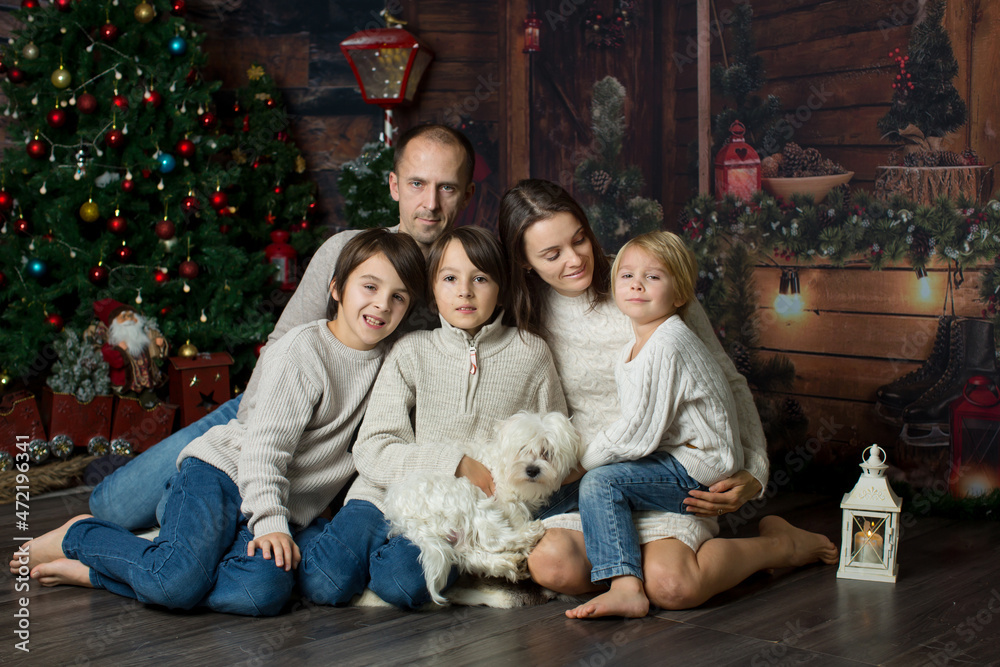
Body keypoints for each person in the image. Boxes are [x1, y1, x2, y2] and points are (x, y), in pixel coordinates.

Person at [11, 230, 426, 617]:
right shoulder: (304, 353)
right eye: (369, 287)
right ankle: (83, 538)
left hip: (281, 504)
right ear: (336, 288)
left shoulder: (392, 363)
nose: (381, 305)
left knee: (264, 591)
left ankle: (134, 567)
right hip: (224, 475)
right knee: (176, 585)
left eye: (398, 297)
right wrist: (269, 523)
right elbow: (265, 452)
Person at [88, 124, 476, 531]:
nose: (430, 203)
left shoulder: (469, 287)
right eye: (417, 183)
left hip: (342, 449)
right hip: (269, 412)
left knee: (206, 531)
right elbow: (280, 344)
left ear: (466, 194)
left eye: (447, 188)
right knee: (110, 509)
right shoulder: (347, 252)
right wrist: (258, 441)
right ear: (395, 185)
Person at [498, 179, 838, 611]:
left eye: (579, 238)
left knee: (674, 588)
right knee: (553, 568)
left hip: (669, 470)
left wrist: (753, 471)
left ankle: (779, 545)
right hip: (590, 482)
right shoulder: (527, 312)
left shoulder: (646, 281)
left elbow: (725, 383)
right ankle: (625, 574)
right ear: (525, 263)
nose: (575, 258)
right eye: (552, 254)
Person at [296, 226, 567, 609]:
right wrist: (451, 463)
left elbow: (555, 445)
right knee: (326, 582)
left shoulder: (531, 354)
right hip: (384, 494)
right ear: (433, 287)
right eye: (450, 278)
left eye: (480, 278)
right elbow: (372, 449)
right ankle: (311, 534)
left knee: (401, 584)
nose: (465, 291)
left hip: (465, 514)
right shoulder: (412, 351)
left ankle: (386, 561)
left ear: (500, 285)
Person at [566, 231, 742, 619]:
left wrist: (583, 463)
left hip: (702, 465)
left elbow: (637, 432)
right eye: (626, 275)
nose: (637, 284)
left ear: (679, 295)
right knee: (590, 483)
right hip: (676, 455)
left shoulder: (669, 343)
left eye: (654, 277)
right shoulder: (639, 343)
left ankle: (624, 586)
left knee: (599, 481)